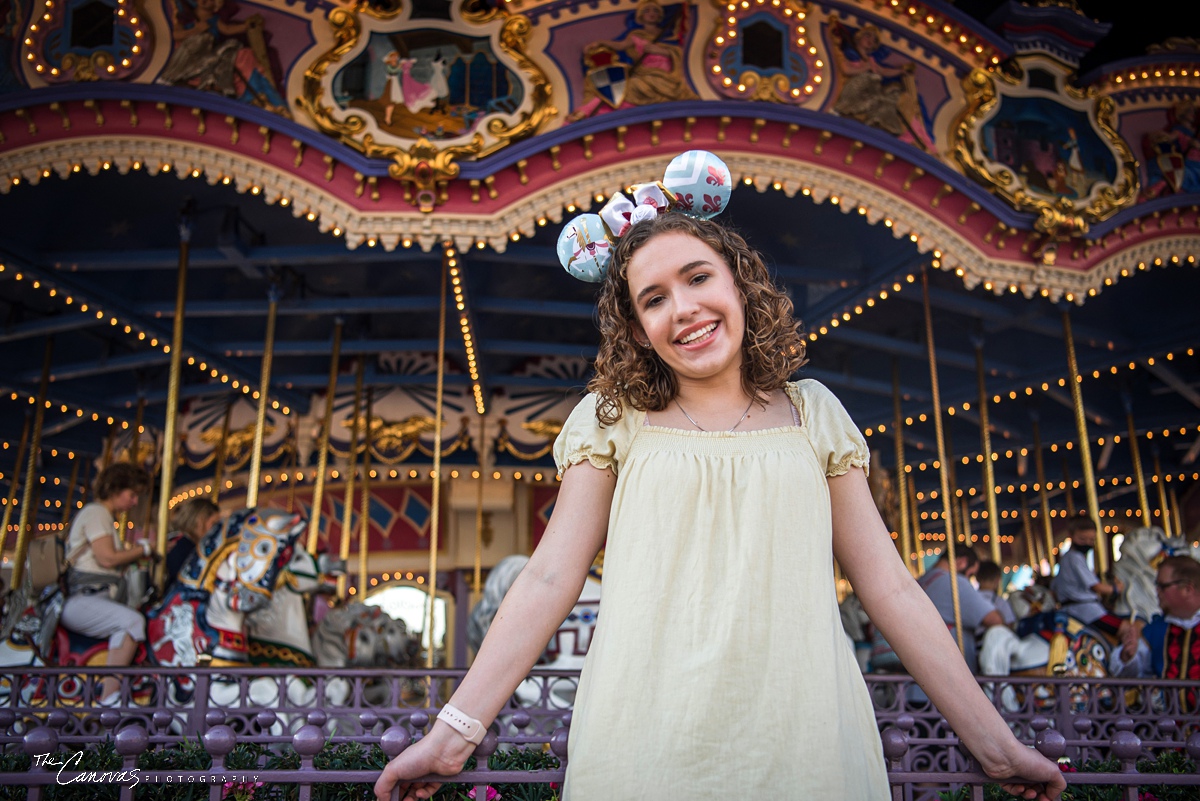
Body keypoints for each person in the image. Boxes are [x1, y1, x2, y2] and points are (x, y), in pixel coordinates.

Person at [374, 182, 1064, 801]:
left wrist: (996, 744)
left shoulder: (812, 411)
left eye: (697, 276)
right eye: (653, 298)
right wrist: (455, 731)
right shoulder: (613, 418)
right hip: (643, 744)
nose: (684, 309)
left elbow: (890, 586)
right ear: (638, 328)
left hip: (807, 742)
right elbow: (550, 575)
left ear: (739, 283)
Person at [59, 463, 159, 704]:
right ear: (115, 490)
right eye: (132, 494)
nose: (135, 501)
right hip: (84, 598)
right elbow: (106, 558)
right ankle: (109, 696)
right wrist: (142, 549)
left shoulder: (102, 516)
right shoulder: (97, 513)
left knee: (131, 620)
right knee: (133, 620)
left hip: (96, 596)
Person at [1110, 555, 1200, 682]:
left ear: (1187, 589)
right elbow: (1129, 675)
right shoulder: (1156, 630)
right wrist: (1127, 656)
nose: (1156, 591)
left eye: (1162, 586)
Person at [918, 548, 1007, 673]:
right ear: (962, 562)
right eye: (970, 574)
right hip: (949, 671)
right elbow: (994, 619)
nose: (968, 579)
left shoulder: (921, 580)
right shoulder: (953, 582)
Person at [1050, 515, 1123, 633]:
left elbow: (1054, 588)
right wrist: (1115, 589)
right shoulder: (1075, 558)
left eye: (1091, 540)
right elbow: (1095, 586)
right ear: (1071, 536)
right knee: (1125, 628)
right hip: (1086, 610)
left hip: (1073, 608)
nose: (1087, 543)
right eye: (1082, 539)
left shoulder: (1067, 558)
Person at [163, 497, 221, 594]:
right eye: (213, 524)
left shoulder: (183, 542)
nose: (215, 530)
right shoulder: (182, 545)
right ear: (199, 521)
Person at [975, 560, 1017, 642]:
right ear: (998, 579)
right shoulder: (1000, 602)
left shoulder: (971, 599)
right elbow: (1010, 625)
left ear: (977, 578)